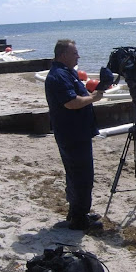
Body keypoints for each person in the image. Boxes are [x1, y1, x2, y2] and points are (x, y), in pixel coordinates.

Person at [45, 39, 104, 231]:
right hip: (72, 134)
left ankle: (77, 212)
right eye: (74, 53)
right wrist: (94, 97)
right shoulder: (59, 76)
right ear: (63, 55)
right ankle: (79, 219)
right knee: (82, 176)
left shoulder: (65, 73)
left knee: (76, 174)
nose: (78, 56)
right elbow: (71, 102)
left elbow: (77, 96)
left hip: (75, 132)